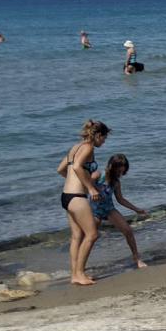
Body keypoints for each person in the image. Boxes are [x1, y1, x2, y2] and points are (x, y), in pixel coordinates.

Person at [57, 120, 111, 286]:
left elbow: (60, 169)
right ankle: (79, 273)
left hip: (66, 195)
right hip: (77, 197)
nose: (104, 142)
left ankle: (75, 274)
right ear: (98, 135)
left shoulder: (75, 147)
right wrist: (90, 188)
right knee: (92, 234)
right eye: (104, 138)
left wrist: (75, 182)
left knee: (77, 236)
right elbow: (79, 167)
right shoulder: (88, 148)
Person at [91, 154, 148, 270]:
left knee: (128, 230)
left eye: (122, 171)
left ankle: (137, 258)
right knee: (90, 237)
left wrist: (136, 209)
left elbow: (120, 199)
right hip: (93, 210)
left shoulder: (116, 182)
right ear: (112, 166)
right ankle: (79, 267)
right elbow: (85, 184)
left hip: (108, 209)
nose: (120, 173)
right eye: (119, 170)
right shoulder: (98, 175)